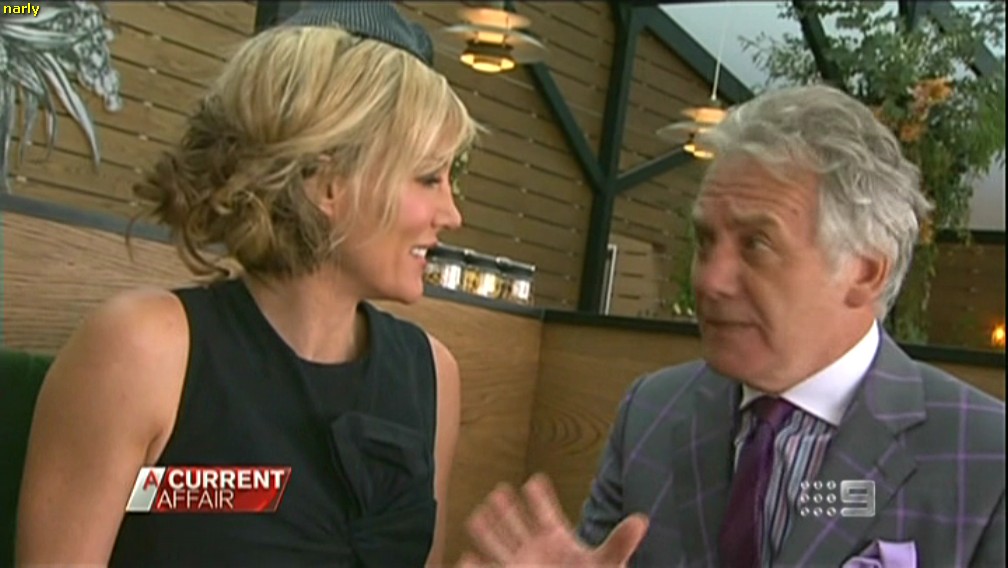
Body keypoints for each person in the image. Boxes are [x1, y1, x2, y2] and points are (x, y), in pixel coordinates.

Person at [460, 84, 1006, 567]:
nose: (710, 280)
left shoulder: (986, 458)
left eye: (756, 244)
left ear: (865, 272)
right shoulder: (652, 414)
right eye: (705, 241)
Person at [16, 2, 479, 566]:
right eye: (429, 178)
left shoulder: (432, 375)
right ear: (327, 183)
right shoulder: (145, 352)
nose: (451, 214)